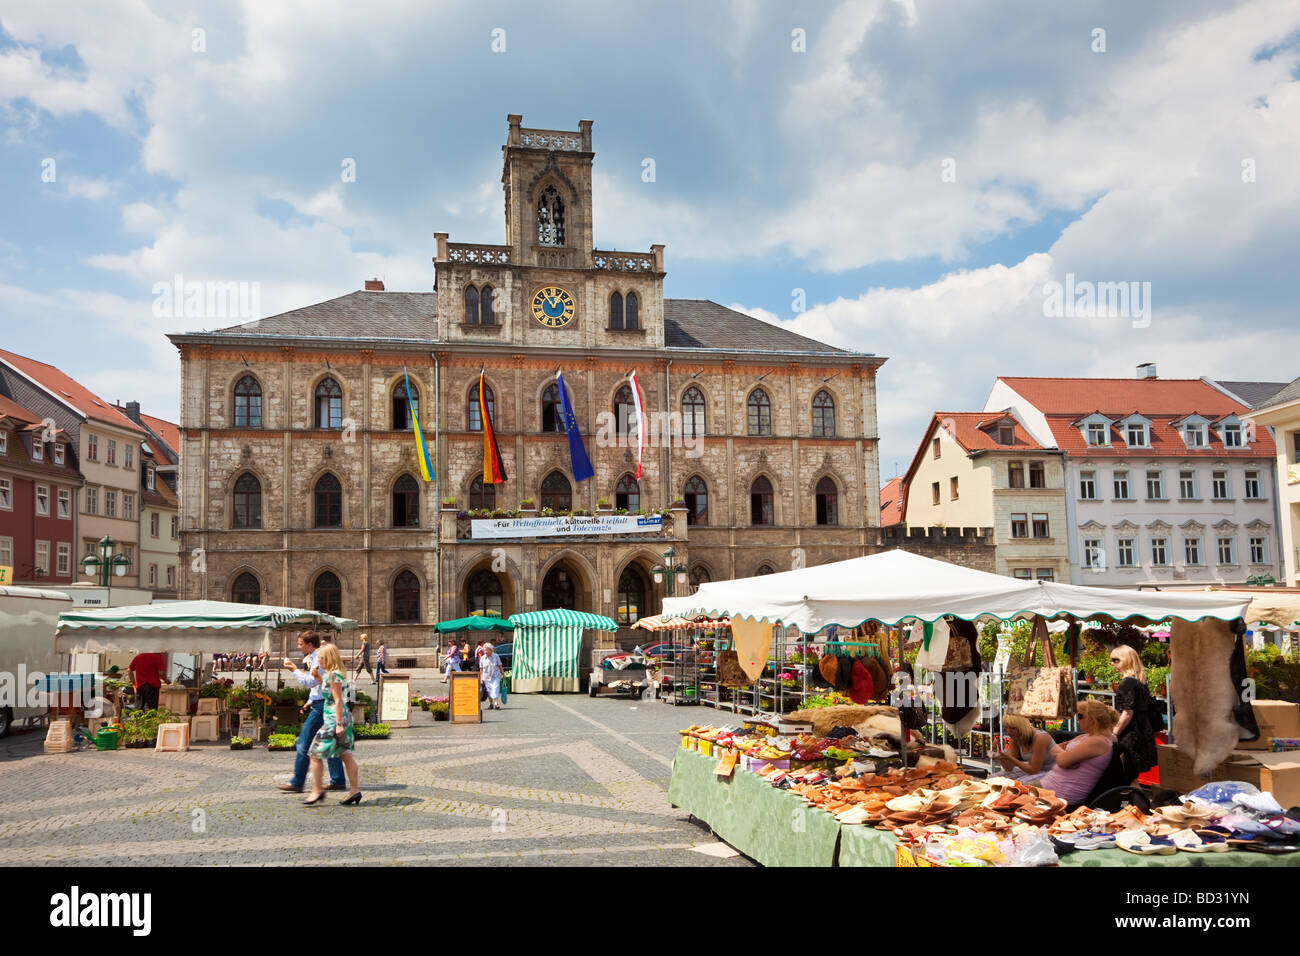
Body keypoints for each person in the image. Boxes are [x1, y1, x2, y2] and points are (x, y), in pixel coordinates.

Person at [278, 631, 346, 794]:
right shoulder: (314, 657)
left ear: (309, 645)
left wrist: (294, 669)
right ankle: (337, 779)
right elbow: (318, 685)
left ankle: (298, 781)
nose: (298, 646)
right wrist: (309, 700)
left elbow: (310, 682)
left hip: (321, 706)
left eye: (300, 644)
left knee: (303, 742)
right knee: (330, 742)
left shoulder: (319, 658)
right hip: (318, 703)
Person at [303, 642, 362, 806]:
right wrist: (318, 678)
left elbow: (337, 701)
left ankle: (316, 790)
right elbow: (331, 690)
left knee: (314, 754)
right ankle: (354, 791)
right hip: (340, 718)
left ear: (327, 658)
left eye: (320, 657)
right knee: (345, 754)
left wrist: (338, 724)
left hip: (334, 720)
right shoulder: (333, 674)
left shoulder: (333, 675)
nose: (318, 660)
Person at [1030, 700, 1118, 807]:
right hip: (1049, 786)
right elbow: (1058, 749)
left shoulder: (1098, 741)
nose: (1077, 720)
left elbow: (1062, 761)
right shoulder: (1088, 737)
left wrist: (1063, 753)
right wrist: (1065, 754)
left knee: (1010, 793)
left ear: (1092, 720)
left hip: (1059, 794)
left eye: (1080, 716)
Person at [1111, 644, 1158, 781]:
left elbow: (1127, 713)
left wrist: (1114, 733)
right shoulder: (1140, 682)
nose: (1113, 663)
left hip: (1131, 734)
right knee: (1132, 778)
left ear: (1127, 660)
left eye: (1116, 660)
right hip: (1143, 731)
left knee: (1127, 776)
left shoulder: (1127, 683)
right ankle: (1137, 801)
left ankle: (1135, 802)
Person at [997, 714, 1057, 780]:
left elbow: (1034, 770)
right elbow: (1009, 768)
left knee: (1019, 784)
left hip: (1052, 772)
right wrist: (1001, 756)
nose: (1009, 731)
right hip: (1033, 770)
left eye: (1013, 728)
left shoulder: (1040, 738)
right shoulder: (1014, 738)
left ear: (1021, 727)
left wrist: (1011, 758)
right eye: (1006, 727)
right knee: (996, 778)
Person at [480, 641, 504, 710]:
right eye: (484, 650)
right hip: (486, 677)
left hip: (495, 676)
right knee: (489, 691)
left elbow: (500, 666)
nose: (485, 651)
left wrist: (503, 674)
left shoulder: (496, 656)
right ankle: (491, 704)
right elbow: (481, 669)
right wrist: (481, 677)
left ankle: (496, 703)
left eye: (486, 650)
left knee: (495, 688)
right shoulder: (482, 658)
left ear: (490, 650)